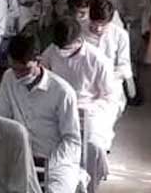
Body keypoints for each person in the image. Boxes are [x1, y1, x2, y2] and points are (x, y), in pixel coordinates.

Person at [0, 34, 81, 193]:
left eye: (25, 69)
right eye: (14, 69)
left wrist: (48, 164)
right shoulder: (9, 78)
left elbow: (72, 141)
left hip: (54, 162)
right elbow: (0, 120)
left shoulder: (62, 92)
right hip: (18, 158)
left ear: (39, 61)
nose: (19, 76)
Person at [41, 17, 119, 193]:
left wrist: (87, 110)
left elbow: (109, 98)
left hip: (87, 109)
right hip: (56, 106)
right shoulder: (53, 51)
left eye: (66, 48)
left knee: (93, 146)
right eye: (59, 48)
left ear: (79, 40)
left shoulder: (97, 60)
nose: (62, 52)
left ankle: (89, 187)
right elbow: (43, 74)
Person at [84, 0, 135, 110]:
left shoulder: (120, 35)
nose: (98, 28)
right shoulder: (79, 31)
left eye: (103, 24)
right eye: (94, 23)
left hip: (110, 82)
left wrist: (107, 75)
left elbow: (124, 65)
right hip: (84, 83)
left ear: (110, 21)